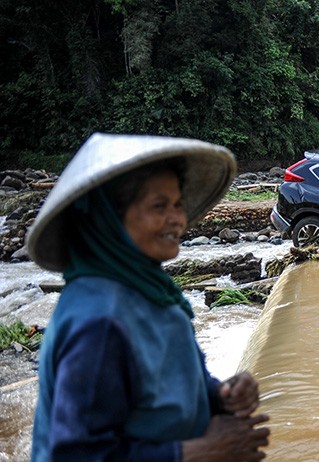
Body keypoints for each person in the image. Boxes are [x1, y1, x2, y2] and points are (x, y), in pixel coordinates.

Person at [26, 133, 270, 461]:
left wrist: (221, 396)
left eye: (178, 204)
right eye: (159, 206)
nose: (178, 220)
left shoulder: (152, 293)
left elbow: (167, 391)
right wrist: (200, 452)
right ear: (108, 219)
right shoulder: (98, 321)